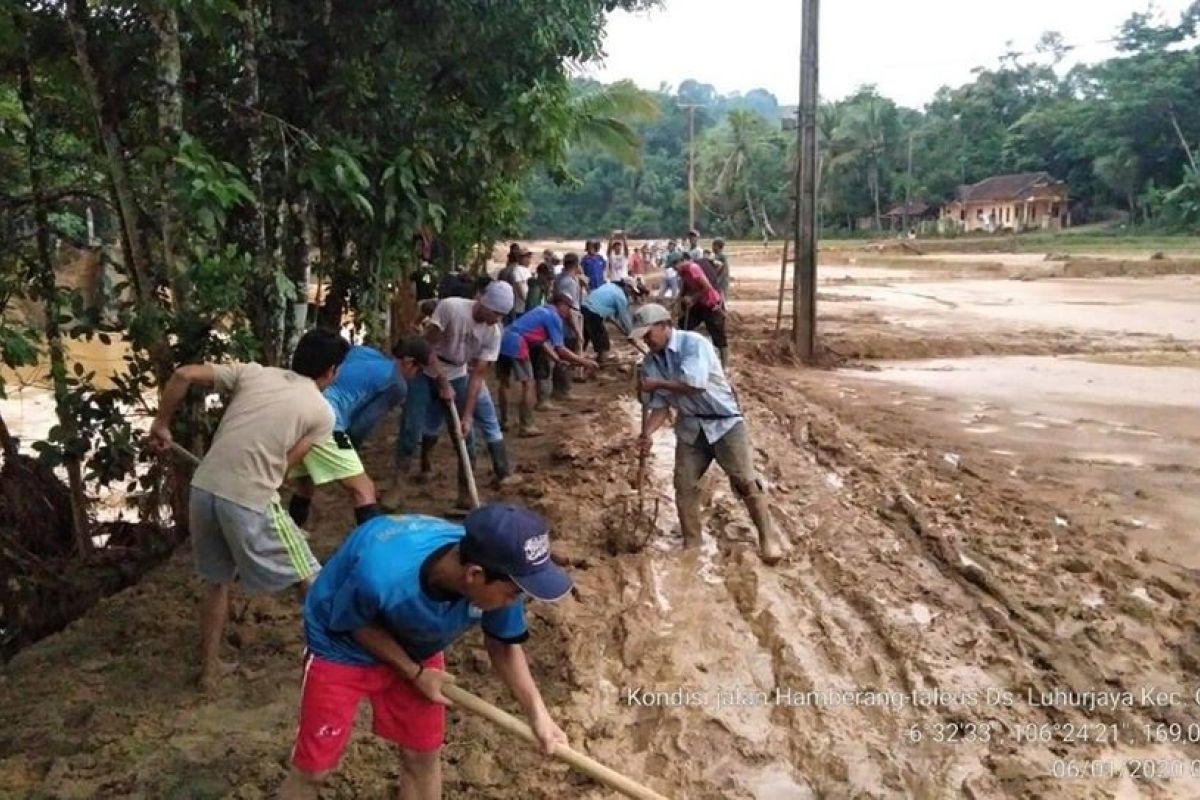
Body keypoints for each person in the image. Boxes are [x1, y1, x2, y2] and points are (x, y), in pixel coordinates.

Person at [279, 504, 572, 800]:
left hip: (417, 641)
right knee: (314, 771)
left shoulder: (504, 579)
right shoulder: (382, 574)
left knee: (422, 756)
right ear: (474, 574)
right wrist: (414, 673)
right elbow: (355, 624)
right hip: (341, 642)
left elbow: (504, 646)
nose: (516, 601)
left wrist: (538, 714)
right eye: (513, 593)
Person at [149, 328, 347, 689]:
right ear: (332, 371)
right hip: (249, 497)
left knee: (216, 580)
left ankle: (209, 671)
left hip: (204, 488)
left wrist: (161, 423)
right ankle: (334, 662)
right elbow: (285, 468)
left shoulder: (254, 373)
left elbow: (183, 374)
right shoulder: (322, 413)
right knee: (310, 574)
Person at [631, 304, 783, 564]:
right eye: (642, 336)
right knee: (684, 484)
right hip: (691, 427)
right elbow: (660, 407)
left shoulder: (693, 344)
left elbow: (695, 385)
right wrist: (647, 433)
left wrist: (656, 383)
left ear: (666, 326)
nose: (646, 340)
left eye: (649, 333)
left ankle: (768, 537)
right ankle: (692, 542)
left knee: (745, 481)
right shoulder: (651, 361)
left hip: (724, 424)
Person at [288, 338, 431, 529]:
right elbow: (362, 425)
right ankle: (373, 548)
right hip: (327, 419)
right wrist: (350, 455)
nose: (416, 377)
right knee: (364, 490)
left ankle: (292, 535)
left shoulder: (365, 352)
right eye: (419, 370)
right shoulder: (397, 384)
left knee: (305, 484)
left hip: (300, 407)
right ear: (409, 362)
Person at [417, 281, 517, 508]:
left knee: (470, 430)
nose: (497, 320)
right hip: (429, 369)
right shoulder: (451, 308)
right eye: (495, 313)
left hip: (460, 374)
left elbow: (478, 375)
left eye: (502, 316)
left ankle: (469, 494)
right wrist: (442, 381)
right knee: (424, 422)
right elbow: (427, 345)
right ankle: (413, 472)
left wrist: (468, 415)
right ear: (484, 302)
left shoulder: (493, 332)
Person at [497, 294, 597, 436]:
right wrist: (585, 362)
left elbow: (541, 341)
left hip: (503, 338)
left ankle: (504, 421)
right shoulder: (553, 317)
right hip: (517, 344)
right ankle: (527, 426)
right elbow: (561, 349)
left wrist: (556, 360)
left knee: (504, 382)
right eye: (569, 309)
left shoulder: (540, 310)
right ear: (561, 304)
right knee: (528, 385)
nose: (569, 313)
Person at [676, 252, 729, 367]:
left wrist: (692, 298)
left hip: (711, 303)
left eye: (676, 265)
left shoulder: (693, 268)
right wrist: (680, 301)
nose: (675, 270)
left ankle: (725, 366)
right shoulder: (683, 272)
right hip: (699, 305)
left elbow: (707, 287)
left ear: (682, 261)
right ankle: (686, 353)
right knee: (683, 325)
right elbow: (684, 287)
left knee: (718, 336)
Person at [581, 278, 642, 364]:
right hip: (593, 314)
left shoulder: (609, 285)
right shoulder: (620, 297)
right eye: (631, 291)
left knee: (582, 340)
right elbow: (624, 319)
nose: (631, 294)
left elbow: (605, 304)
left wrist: (610, 318)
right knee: (604, 345)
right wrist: (631, 335)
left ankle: (577, 365)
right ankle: (600, 365)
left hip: (583, 308)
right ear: (626, 286)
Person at [551, 253, 585, 400]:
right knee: (568, 352)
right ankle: (564, 390)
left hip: (564, 317)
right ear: (576, 265)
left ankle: (561, 388)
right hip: (568, 319)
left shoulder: (561, 278)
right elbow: (567, 307)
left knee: (563, 353)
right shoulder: (569, 282)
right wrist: (577, 330)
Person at [497, 245, 532, 320]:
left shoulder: (525, 270)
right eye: (526, 257)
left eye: (529, 257)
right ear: (519, 258)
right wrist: (528, 303)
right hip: (517, 308)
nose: (529, 259)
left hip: (517, 307)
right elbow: (521, 290)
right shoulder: (517, 270)